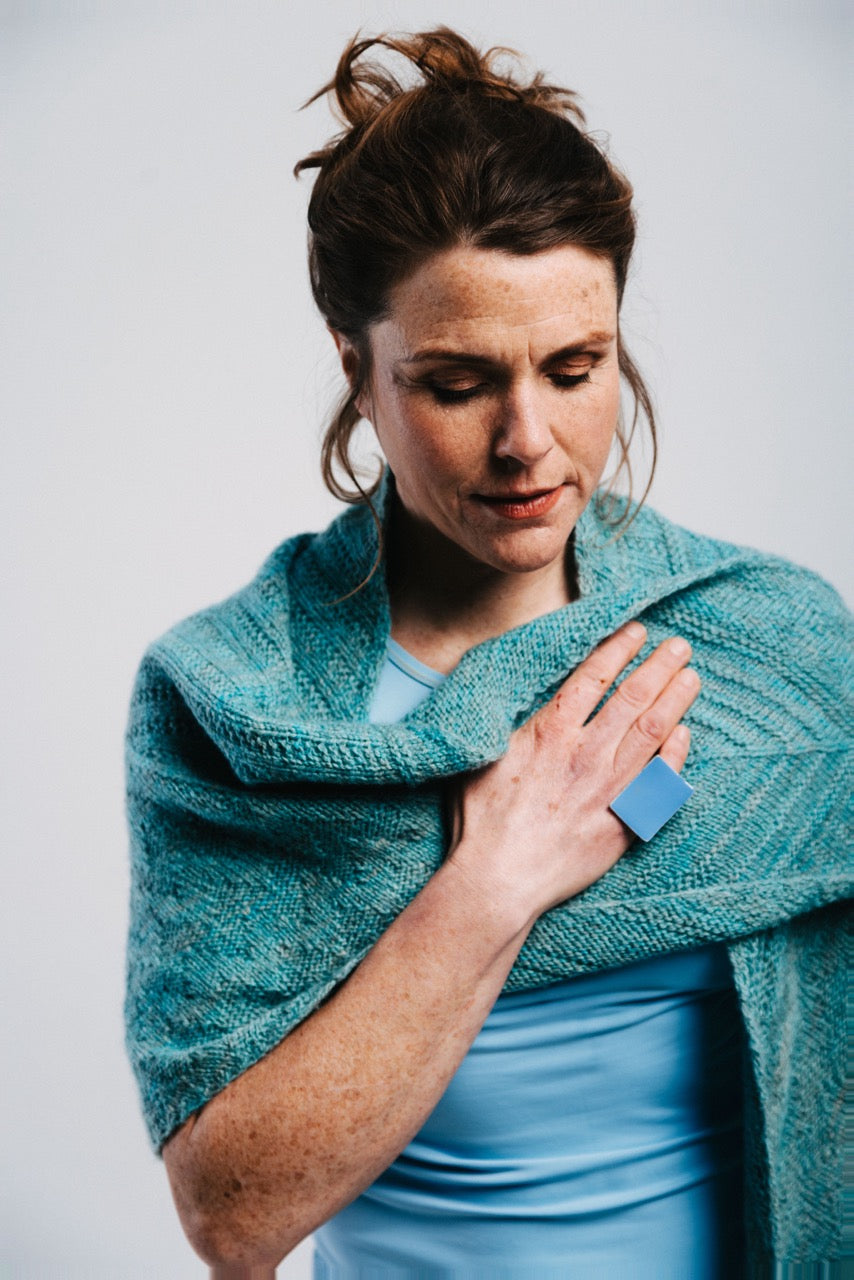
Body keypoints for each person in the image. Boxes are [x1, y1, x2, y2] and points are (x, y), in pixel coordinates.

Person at [123, 28, 851, 1279]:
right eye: (456, 384)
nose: (527, 440)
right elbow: (233, 1215)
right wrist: (494, 878)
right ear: (358, 371)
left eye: (574, 369)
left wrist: (617, 820)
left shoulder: (767, 648)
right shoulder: (233, 705)